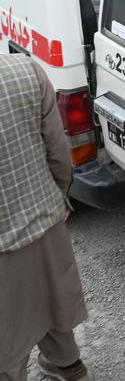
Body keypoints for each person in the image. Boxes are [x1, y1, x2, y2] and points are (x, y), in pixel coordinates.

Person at [0, 56, 89, 381]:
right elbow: (57, 150)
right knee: (50, 297)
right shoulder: (25, 71)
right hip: (44, 214)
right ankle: (68, 365)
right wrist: (60, 196)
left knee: (7, 330)